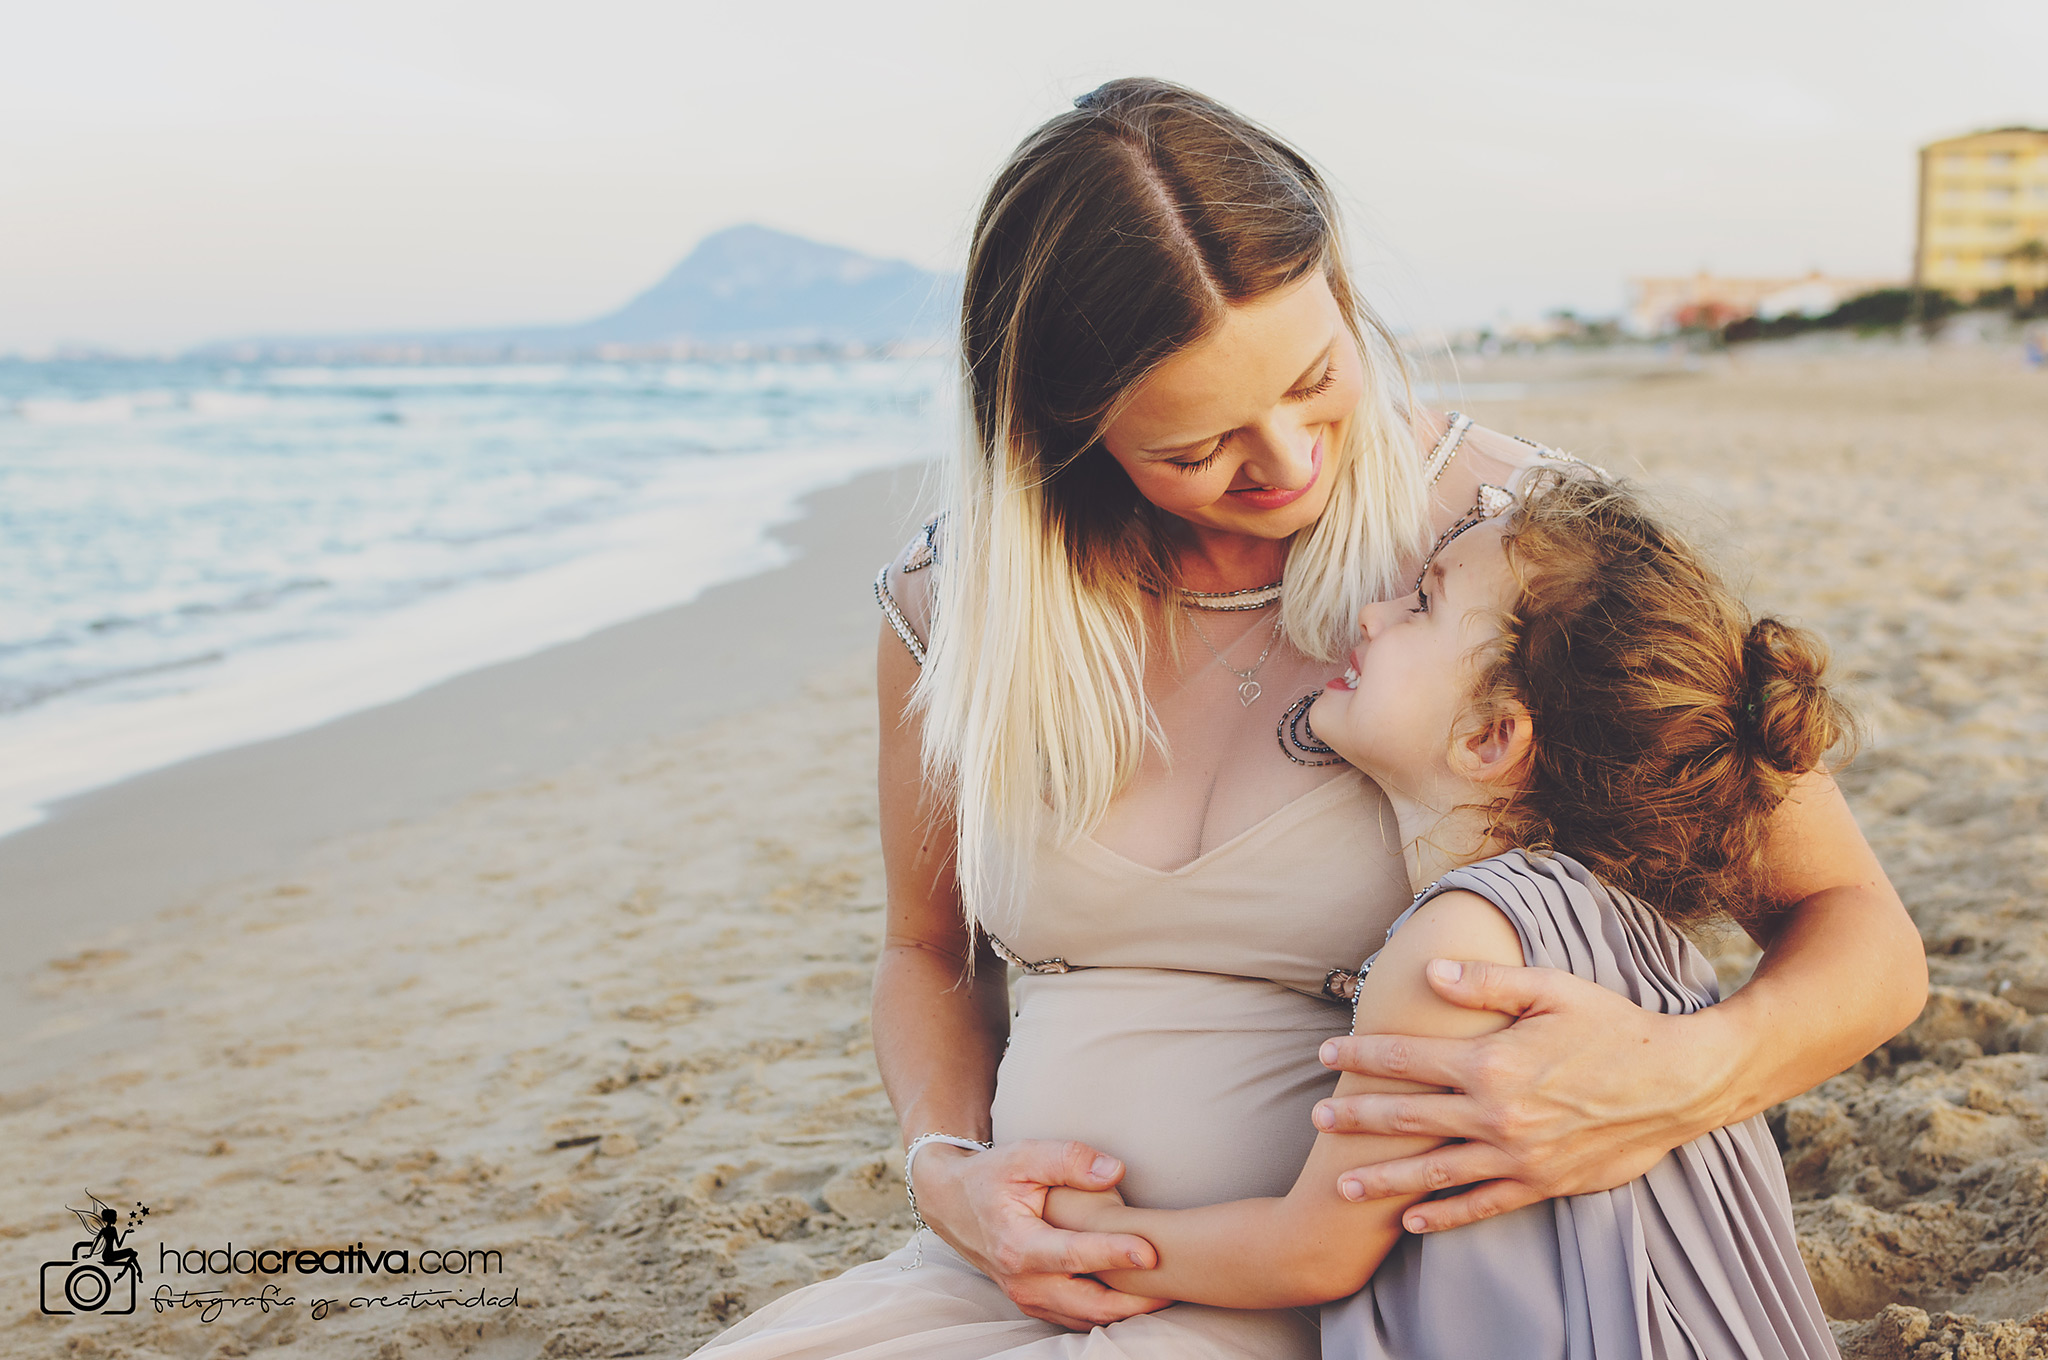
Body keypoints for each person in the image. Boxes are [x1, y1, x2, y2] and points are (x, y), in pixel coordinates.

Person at [694, 78, 1923, 1358]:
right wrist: (950, 1181)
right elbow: (926, 951)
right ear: (1062, 429)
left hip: (1347, 1302)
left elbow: (1862, 935)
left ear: (1340, 291)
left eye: (1314, 377)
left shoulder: (1525, 564)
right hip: (1020, 1276)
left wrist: (1680, 1076)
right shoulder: (958, 605)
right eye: (1198, 446)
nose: (1284, 464)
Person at [1041, 472, 1843, 1358]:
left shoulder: (1457, 948)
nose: (1374, 616)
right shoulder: (1615, 920)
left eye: (1423, 605)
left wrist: (1086, 1236)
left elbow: (1311, 1252)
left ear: (1492, 737)